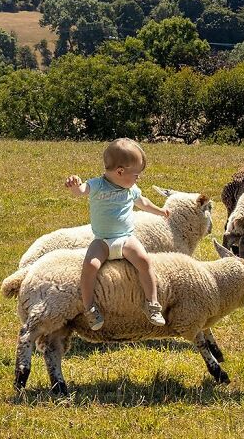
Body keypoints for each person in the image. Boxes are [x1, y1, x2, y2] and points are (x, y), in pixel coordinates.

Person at [65, 138, 168, 331]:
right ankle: (90, 308)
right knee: (89, 266)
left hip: (126, 238)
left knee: (144, 261)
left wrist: (160, 211)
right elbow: (80, 191)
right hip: (102, 240)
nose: (138, 179)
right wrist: (74, 186)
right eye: (136, 175)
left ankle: (152, 304)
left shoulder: (131, 189)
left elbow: (143, 203)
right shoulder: (97, 185)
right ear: (120, 172)